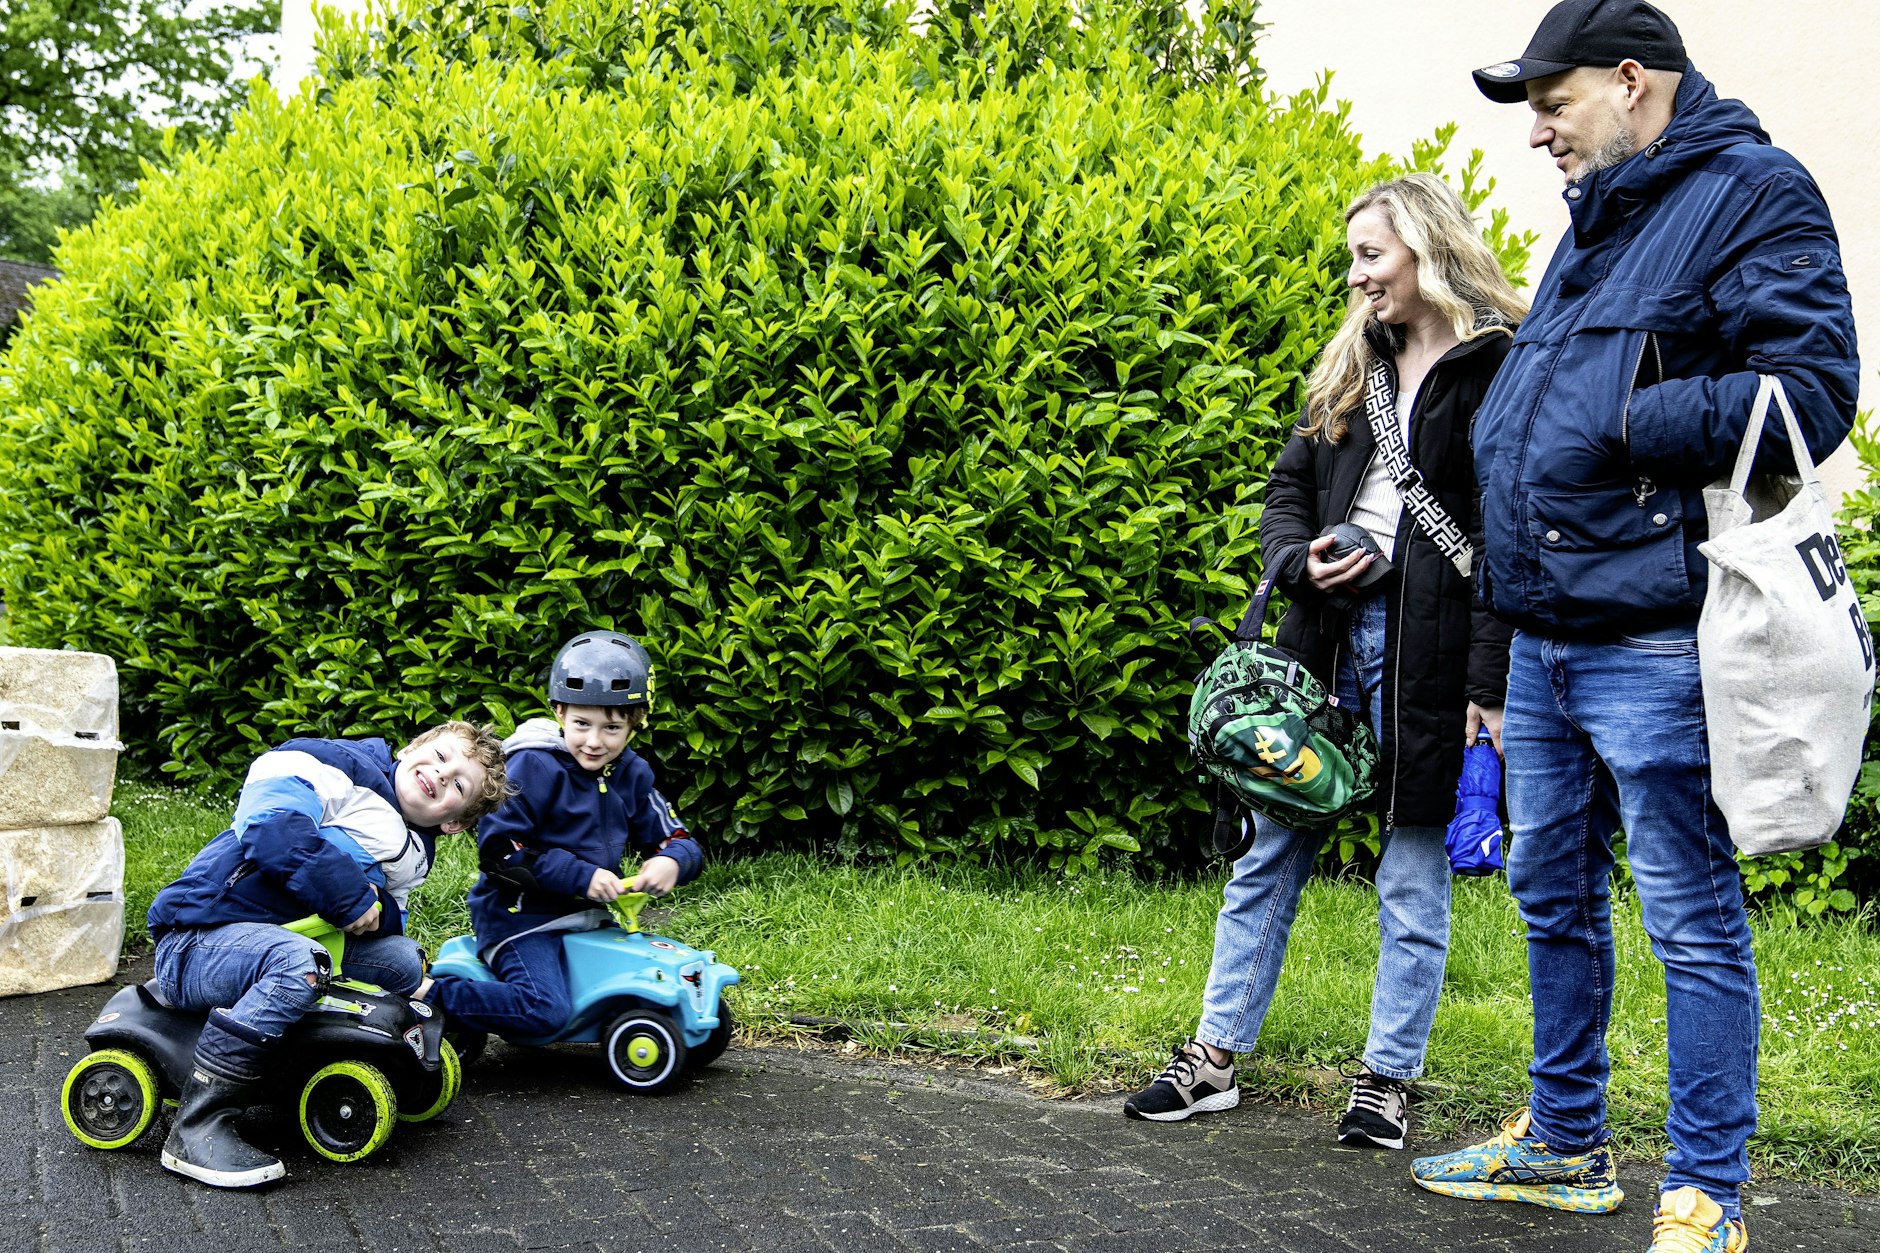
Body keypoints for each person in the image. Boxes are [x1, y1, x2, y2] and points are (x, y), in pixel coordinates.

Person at [1410, 3, 1859, 1249]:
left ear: (1630, 79)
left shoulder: (1752, 189)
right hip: (1547, 636)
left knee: (1685, 910)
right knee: (1550, 892)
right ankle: (1564, 1143)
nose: (1538, 133)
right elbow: (1530, 427)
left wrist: (1634, 417)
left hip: (1656, 632)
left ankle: (1707, 1188)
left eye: (1552, 104)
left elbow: (1810, 389)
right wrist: (1498, 645)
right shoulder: (1592, 223)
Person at [1124, 173, 1521, 1150]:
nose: (1355, 278)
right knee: (1267, 854)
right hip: (1324, 642)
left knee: (1412, 874)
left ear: (1425, 252)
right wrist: (1292, 558)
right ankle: (1211, 1060)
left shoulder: (1503, 370)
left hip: (1428, 655)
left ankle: (1385, 1078)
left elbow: (1510, 543)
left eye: (1370, 257)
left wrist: (1486, 684)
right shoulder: (1350, 366)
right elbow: (1284, 493)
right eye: (1354, 257)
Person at [147, 720, 508, 1188]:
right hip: (199, 936)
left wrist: (373, 909)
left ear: (454, 822)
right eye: (440, 757)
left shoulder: (417, 849)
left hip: (275, 939)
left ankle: (362, 1055)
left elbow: (382, 916)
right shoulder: (331, 765)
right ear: (412, 746)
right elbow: (270, 825)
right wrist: (349, 897)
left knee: (399, 961)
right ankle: (198, 1126)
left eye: (459, 783)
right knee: (297, 964)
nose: (441, 775)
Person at [426, 629, 704, 1041]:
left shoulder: (631, 774)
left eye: (611, 728)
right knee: (544, 1010)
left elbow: (676, 837)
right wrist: (582, 877)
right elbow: (502, 853)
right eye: (581, 724)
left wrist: (671, 859)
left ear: (635, 723)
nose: (594, 741)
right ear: (559, 711)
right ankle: (429, 998)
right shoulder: (531, 768)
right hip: (521, 920)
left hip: (591, 918)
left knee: (655, 969)